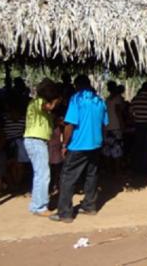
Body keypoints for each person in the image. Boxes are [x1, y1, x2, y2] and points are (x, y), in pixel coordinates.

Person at [50, 75, 108, 223]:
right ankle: (89, 205)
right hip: (95, 144)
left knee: (67, 177)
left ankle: (65, 213)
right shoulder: (100, 101)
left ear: (77, 86)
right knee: (91, 175)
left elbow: (70, 124)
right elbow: (104, 125)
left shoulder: (76, 99)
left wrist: (65, 144)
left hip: (78, 145)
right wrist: (101, 140)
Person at [23, 79, 61, 217]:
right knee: (43, 174)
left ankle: (36, 205)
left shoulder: (39, 105)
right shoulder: (39, 101)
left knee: (40, 174)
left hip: (37, 141)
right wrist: (56, 102)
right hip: (36, 140)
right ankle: (40, 207)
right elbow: (48, 108)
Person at [102, 81, 126, 175]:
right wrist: (122, 124)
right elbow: (118, 112)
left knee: (107, 150)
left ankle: (108, 170)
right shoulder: (118, 99)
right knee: (117, 150)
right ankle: (117, 171)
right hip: (116, 127)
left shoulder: (107, 100)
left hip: (107, 127)